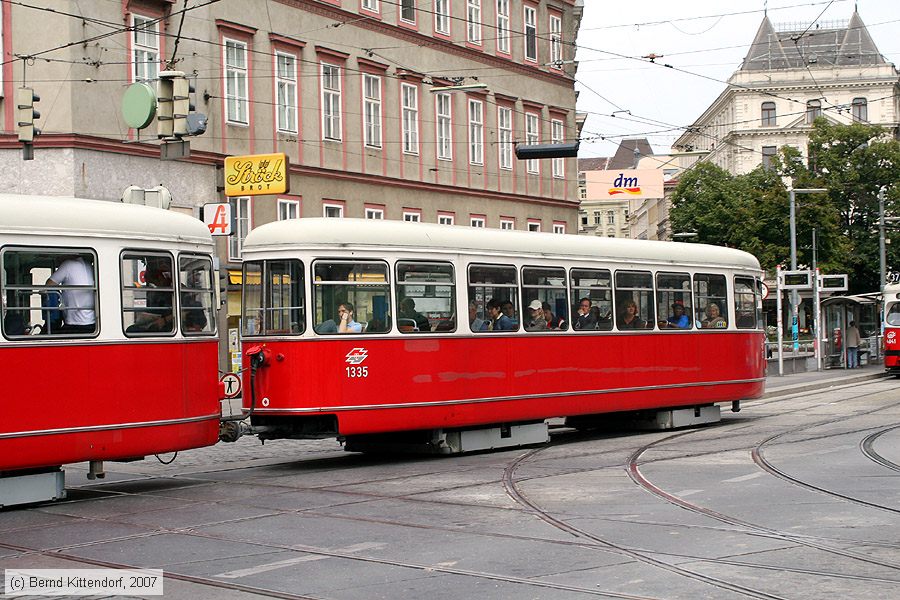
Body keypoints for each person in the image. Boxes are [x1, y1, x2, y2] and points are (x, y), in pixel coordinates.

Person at [46, 255, 95, 333]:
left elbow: (49, 285)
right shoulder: (89, 265)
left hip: (74, 322)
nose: (57, 259)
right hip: (92, 322)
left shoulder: (68, 264)